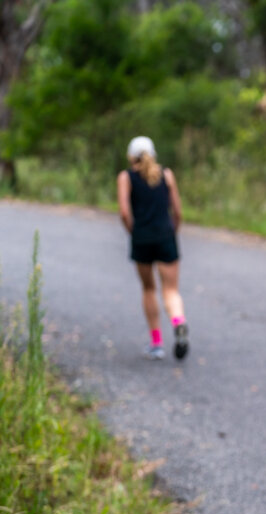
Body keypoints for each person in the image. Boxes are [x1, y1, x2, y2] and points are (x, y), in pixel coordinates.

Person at [117, 136, 190, 361]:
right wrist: (172, 231)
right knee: (171, 289)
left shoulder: (126, 177)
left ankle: (156, 342)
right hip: (166, 236)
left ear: (131, 157)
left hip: (142, 238)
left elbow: (124, 213)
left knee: (149, 289)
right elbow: (177, 212)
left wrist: (133, 232)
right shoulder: (167, 175)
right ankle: (178, 321)